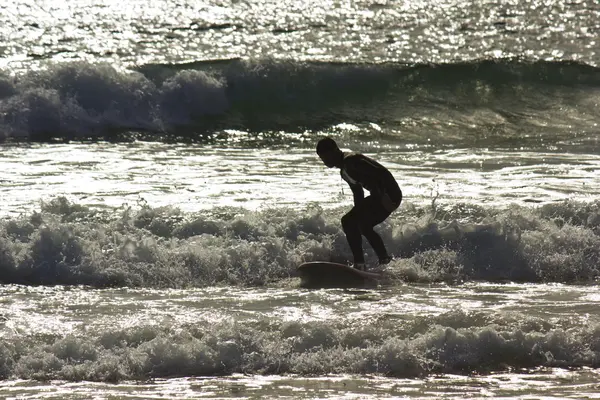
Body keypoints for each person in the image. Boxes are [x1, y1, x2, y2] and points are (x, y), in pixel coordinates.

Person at [316, 137, 402, 271]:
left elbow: (380, 173)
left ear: (335, 150)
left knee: (348, 221)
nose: (324, 161)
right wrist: (358, 213)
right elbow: (358, 193)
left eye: (326, 156)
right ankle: (384, 261)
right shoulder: (344, 171)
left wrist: (384, 194)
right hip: (379, 195)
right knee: (361, 225)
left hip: (389, 194)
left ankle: (360, 264)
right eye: (322, 158)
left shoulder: (351, 161)